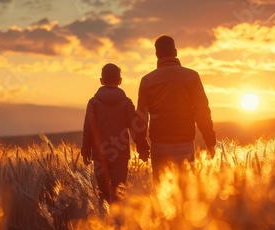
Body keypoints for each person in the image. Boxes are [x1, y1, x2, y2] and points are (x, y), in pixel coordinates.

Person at [136, 35, 216, 181]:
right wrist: (210, 140)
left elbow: (141, 117)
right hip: (184, 142)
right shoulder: (192, 76)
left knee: (162, 192)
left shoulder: (147, 80)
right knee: (186, 191)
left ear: (156, 55)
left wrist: (142, 147)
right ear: (176, 52)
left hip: (159, 144)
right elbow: (202, 112)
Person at [81, 63, 149, 204]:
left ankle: (103, 223)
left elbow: (88, 129)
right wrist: (142, 147)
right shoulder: (126, 103)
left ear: (101, 80)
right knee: (118, 194)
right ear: (120, 81)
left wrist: (85, 149)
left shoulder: (93, 103)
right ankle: (118, 223)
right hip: (121, 155)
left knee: (104, 195)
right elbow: (134, 128)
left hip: (100, 155)